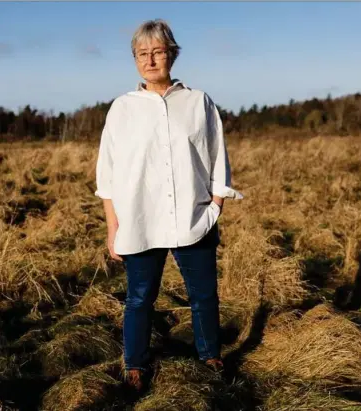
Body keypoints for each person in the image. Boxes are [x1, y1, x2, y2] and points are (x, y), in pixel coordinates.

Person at [94, 18, 243, 390]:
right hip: (141, 220)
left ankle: (210, 358)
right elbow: (107, 173)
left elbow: (217, 157)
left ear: (171, 55)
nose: (151, 60)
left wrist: (216, 206)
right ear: (134, 59)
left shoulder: (198, 102)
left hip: (193, 218)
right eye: (142, 54)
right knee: (140, 297)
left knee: (204, 295)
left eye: (158, 52)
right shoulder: (122, 109)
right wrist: (113, 227)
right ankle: (135, 365)